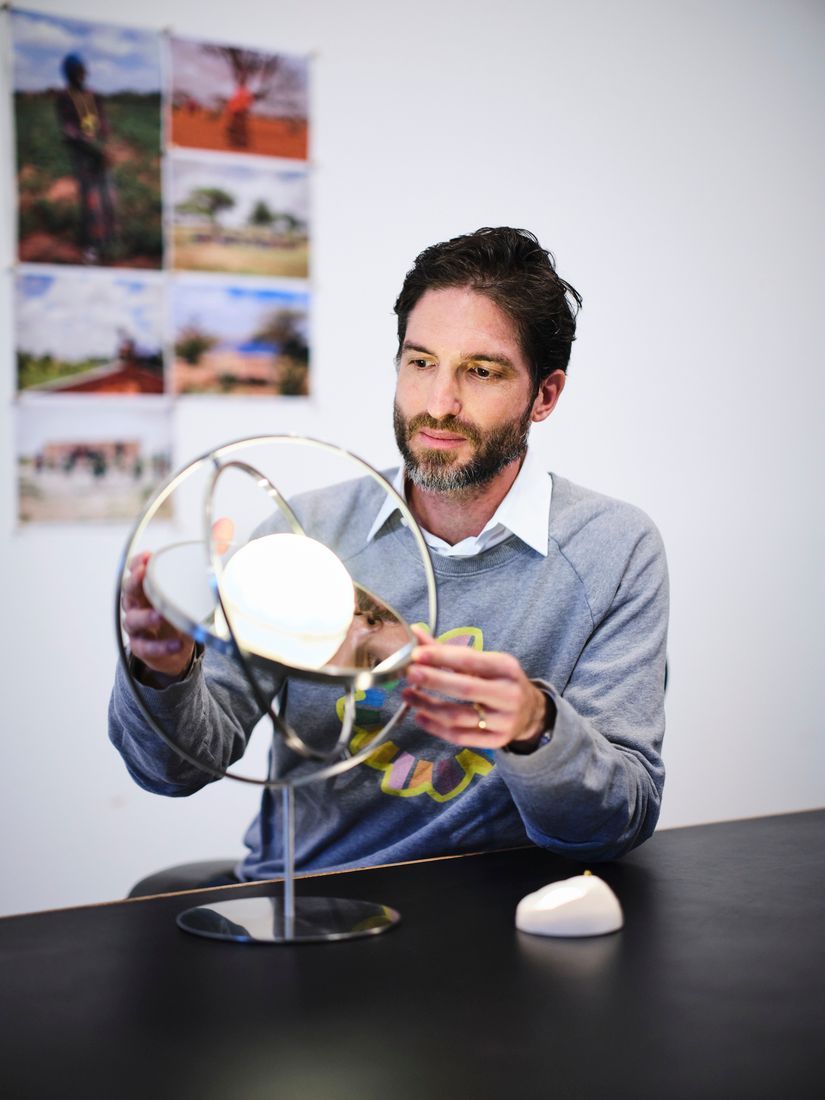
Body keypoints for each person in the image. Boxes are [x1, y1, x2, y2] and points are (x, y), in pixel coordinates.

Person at [110, 227, 668, 881]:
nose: (438, 404)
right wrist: (163, 672)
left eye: (480, 372)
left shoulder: (614, 549)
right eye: (420, 361)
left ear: (543, 395)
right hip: (312, 916)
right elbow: (171, 771)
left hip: (502, 925)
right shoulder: (304, 533)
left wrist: (535, 728)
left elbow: (616, 823)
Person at [55, 53, 116, 262]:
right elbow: (69, 129)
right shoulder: (64, 96)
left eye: (82, 71)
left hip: (99, 153)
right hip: (82, 155)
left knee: (108, 196)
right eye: (76, 72)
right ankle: (91, 246)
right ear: (69, 74)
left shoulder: (93, 95)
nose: (80, 75)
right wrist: (89, 145)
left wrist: (104, 144)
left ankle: (109, 238)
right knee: (90, 200)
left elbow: (103, 122)